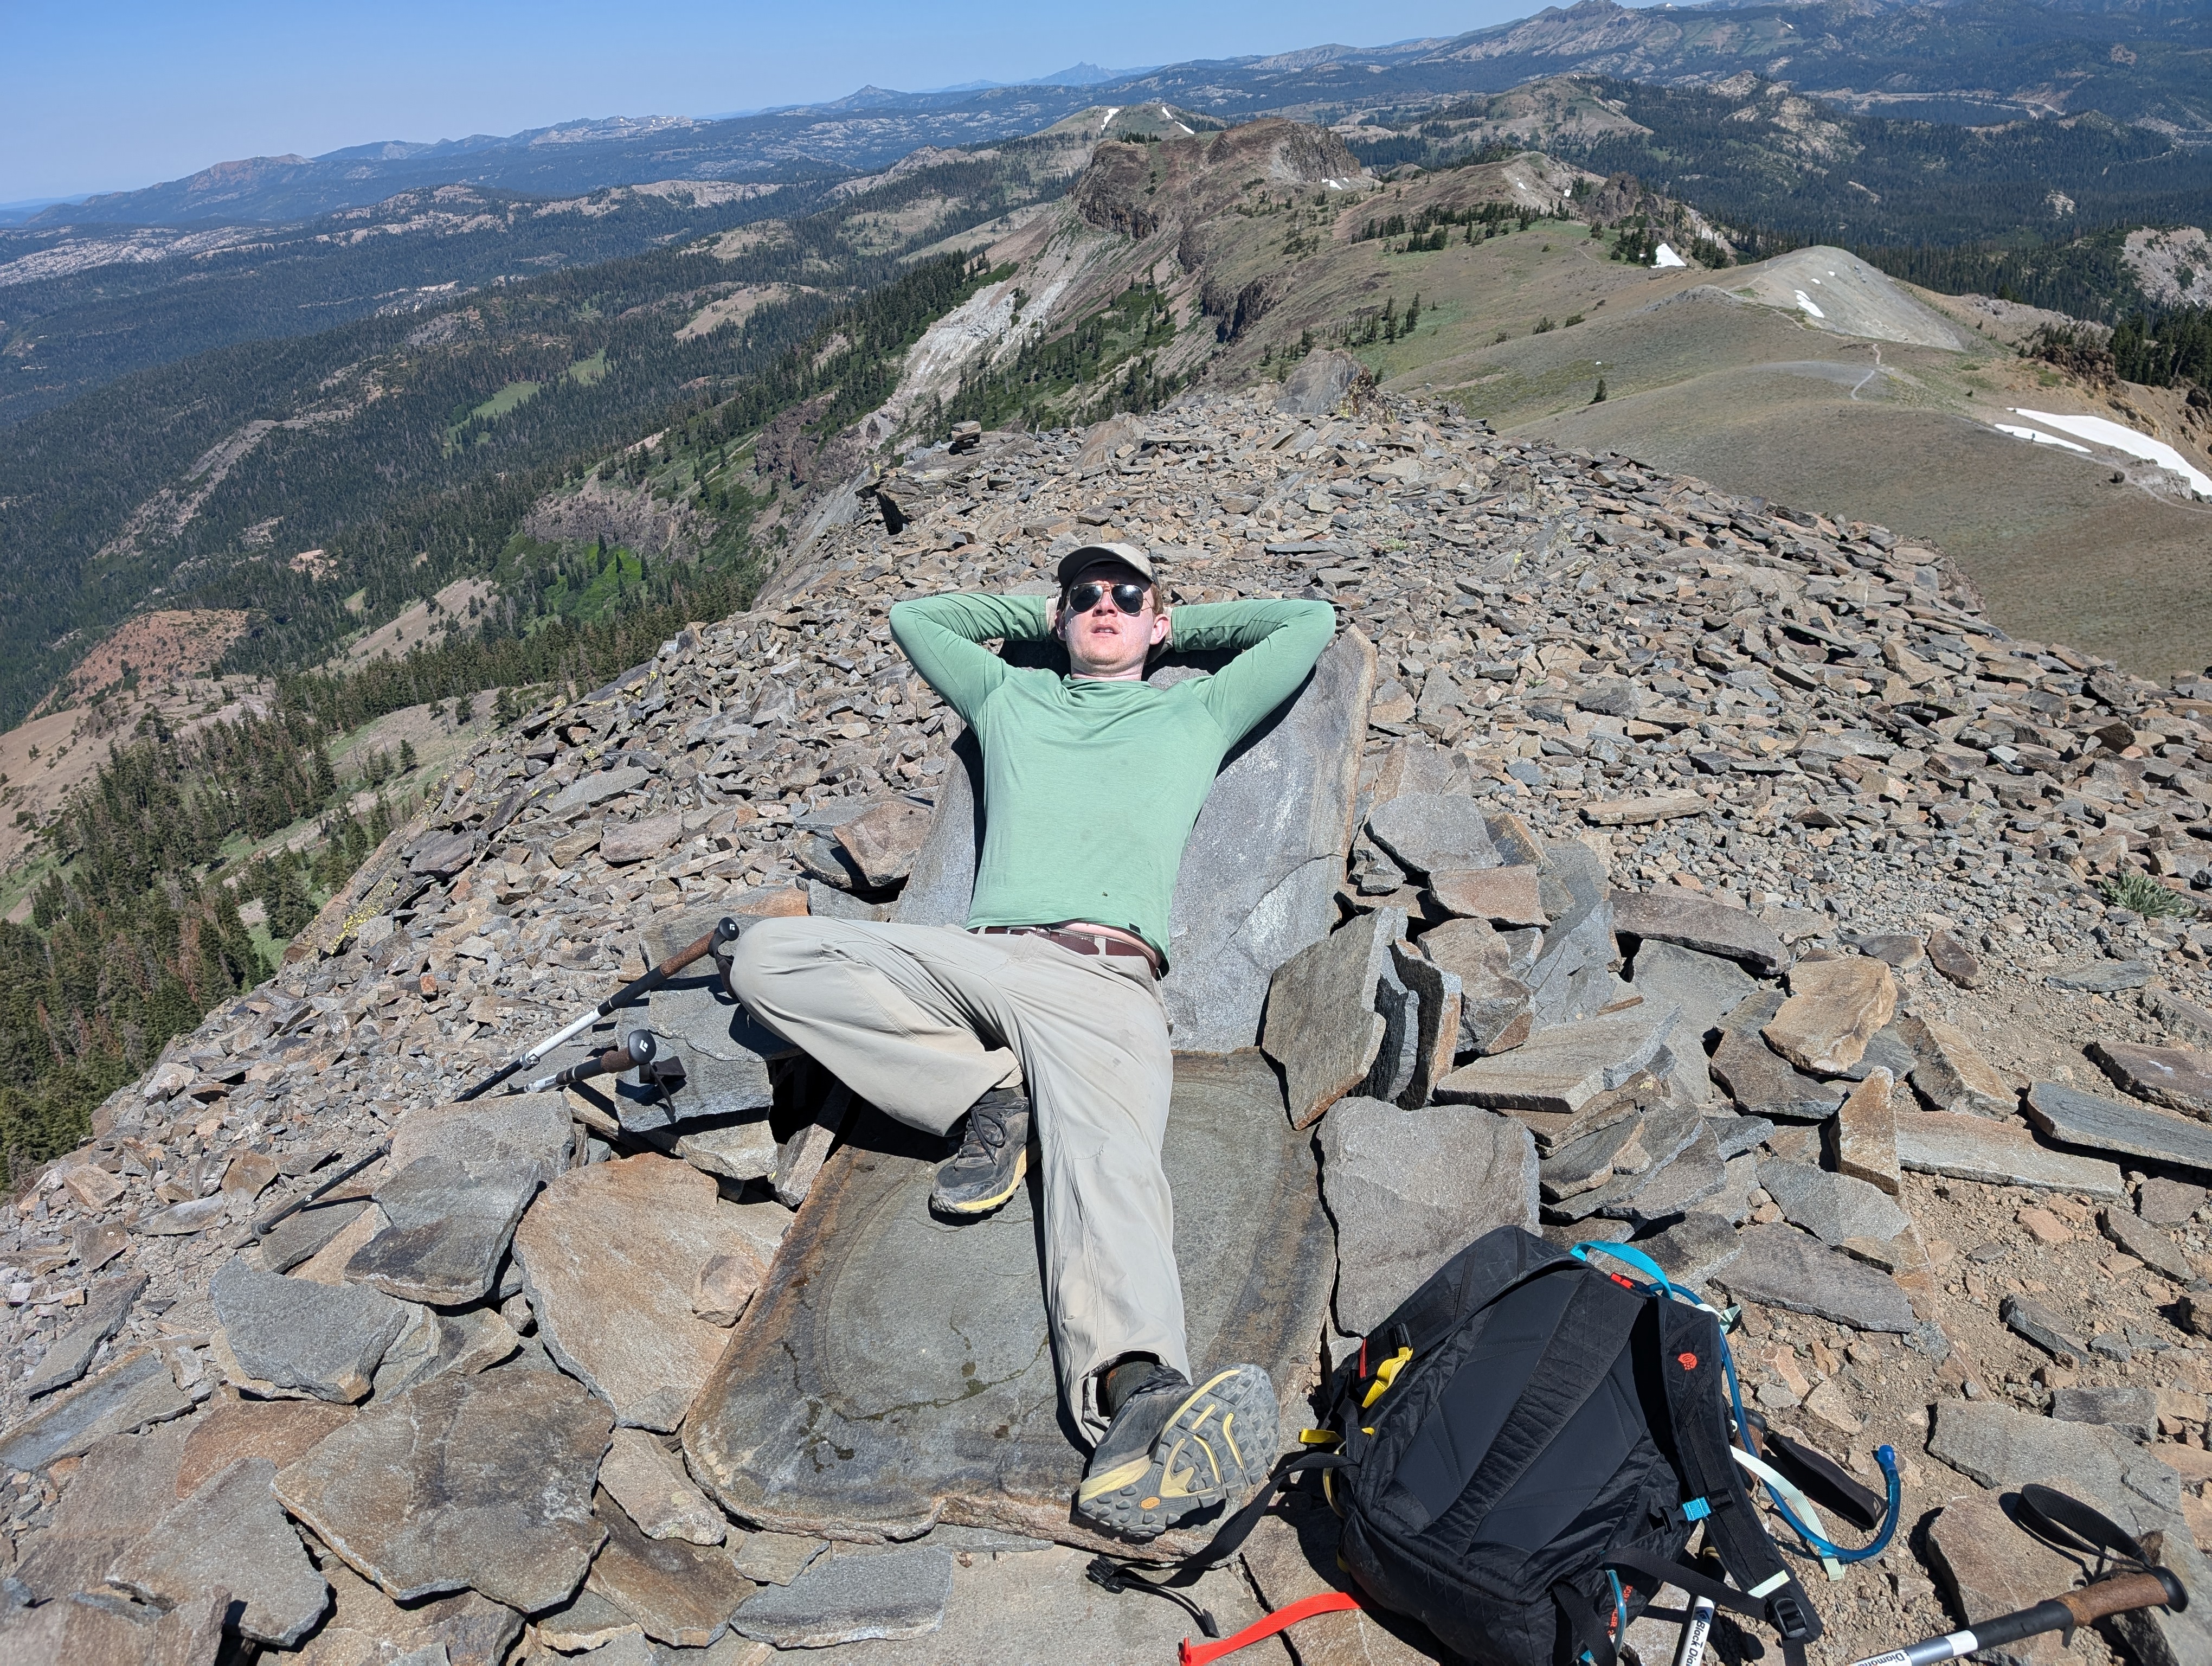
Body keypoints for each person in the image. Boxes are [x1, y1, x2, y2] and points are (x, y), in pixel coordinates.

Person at [724, 540, 1335, 1539]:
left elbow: (1307, 624)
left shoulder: (1198, 708)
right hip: (979, 960)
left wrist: (1174, 621)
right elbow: (919, 617)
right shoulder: (1010, 699)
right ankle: (981, 1098)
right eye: (1085, 594)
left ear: (1159, 619)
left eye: (1124, 595)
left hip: (1103, 980)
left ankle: (1140, 1406)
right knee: (767, 958)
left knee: (1109, 1166)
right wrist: (1052, 618)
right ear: (1056, 616)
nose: (1104, 604)